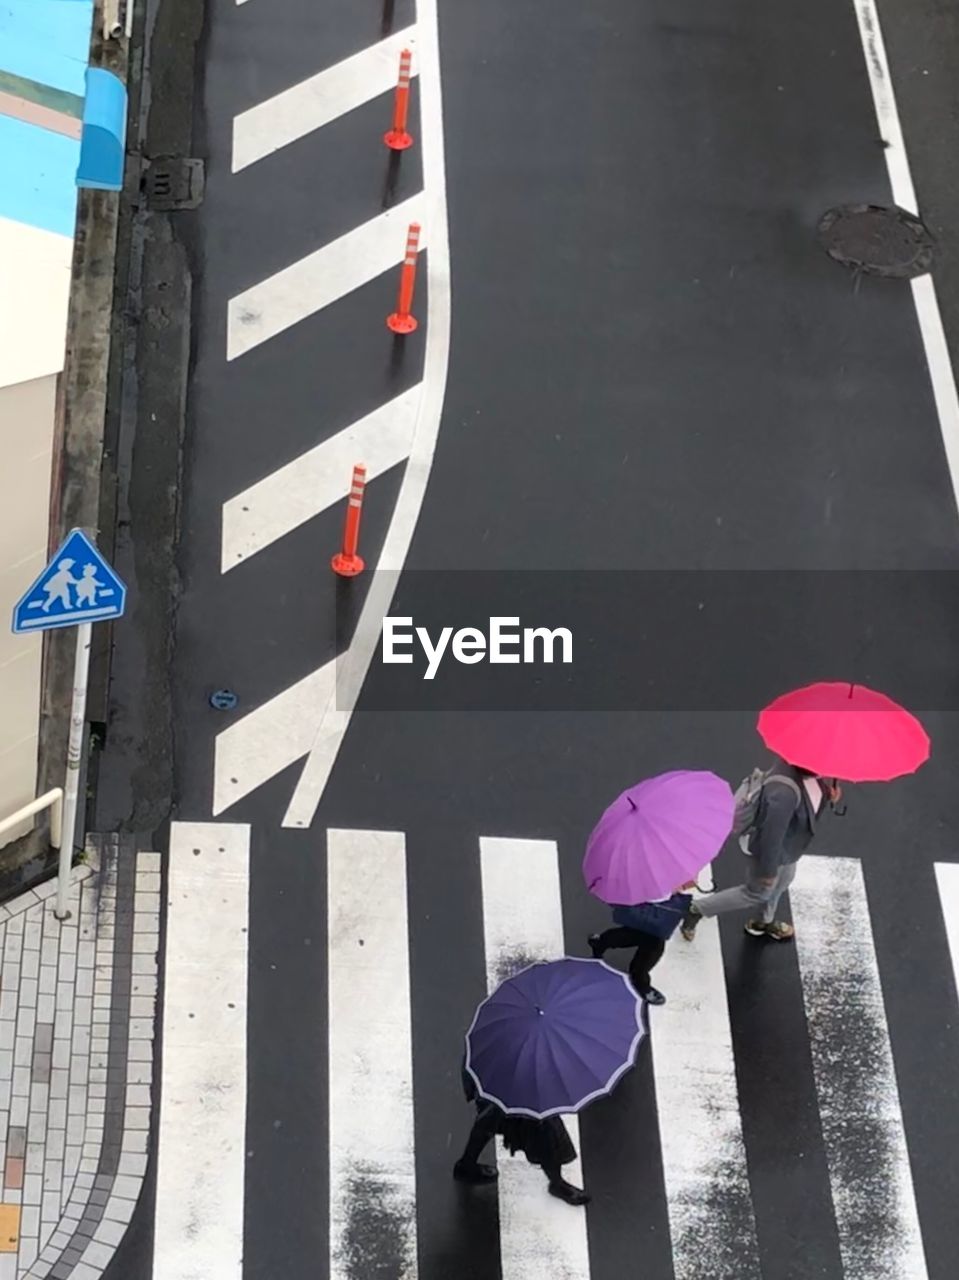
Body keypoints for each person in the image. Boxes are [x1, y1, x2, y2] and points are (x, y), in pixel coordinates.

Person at [681, 760, 841, 941]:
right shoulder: (784, 794)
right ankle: (697, 909)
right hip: (772, 853)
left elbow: (808, 806)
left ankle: (763, 921)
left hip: (789, 849)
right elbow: (770, 838)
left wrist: (827, 796)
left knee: (783, 882)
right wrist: (768, 871)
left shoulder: (808, 774)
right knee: (756, 893)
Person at [453, 1062, 590, 1205]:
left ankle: (467, 1164)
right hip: (508, 1080)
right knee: (543, 1128)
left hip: (502, 1077)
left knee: (492, 1119)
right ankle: (557, 1183)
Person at [587, 880, 695, 1005]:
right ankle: (639, 980)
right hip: (650, 910)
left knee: (633, 935)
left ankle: (601, 943)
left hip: (647, 910)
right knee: (650, 947)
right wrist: (673, 888)